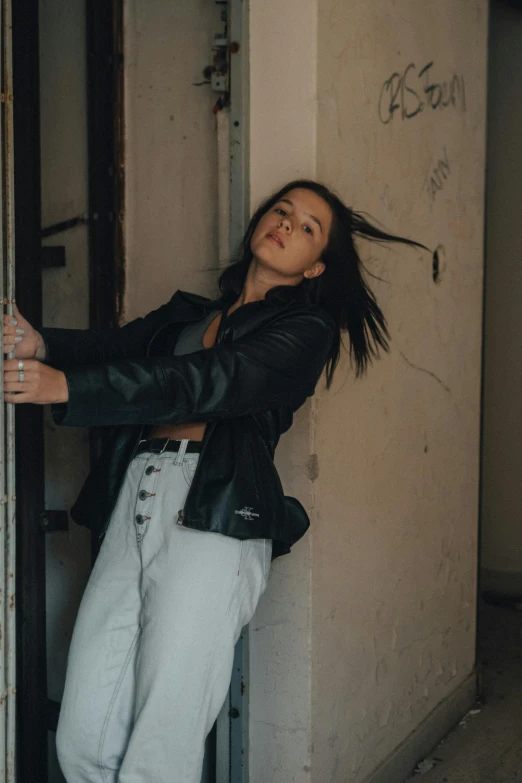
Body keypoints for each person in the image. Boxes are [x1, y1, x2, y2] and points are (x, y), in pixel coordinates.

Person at [3, 180, 426, 782]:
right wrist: (41, 344)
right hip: (137, 502)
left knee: (160, 748)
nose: (287, 223)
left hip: (213, 521)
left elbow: (208, 381)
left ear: (316, 267)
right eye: (282, 211)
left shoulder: (304, 333)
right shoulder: (187, 315)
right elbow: (113, 350)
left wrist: (66, 388)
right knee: (82, 740)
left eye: (308, 227)